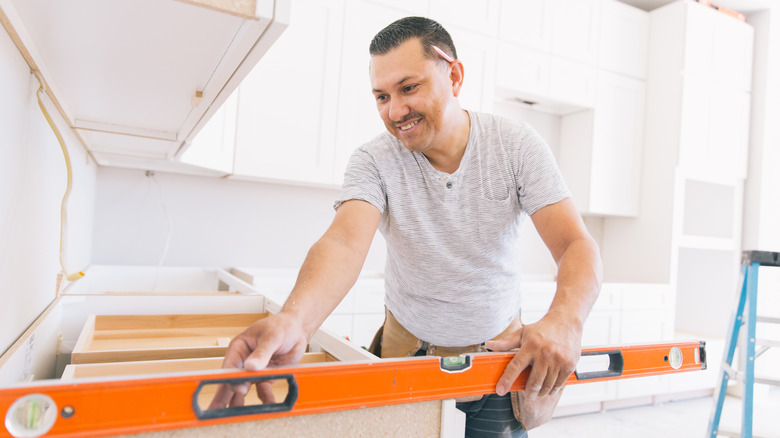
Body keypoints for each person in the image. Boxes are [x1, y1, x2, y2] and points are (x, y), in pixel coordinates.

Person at [211, 16, 602, 437]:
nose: (395, 111)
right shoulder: (374, 160)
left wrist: (565, 319)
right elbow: (344, 242)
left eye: (408, 88)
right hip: (405, 355)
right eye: (381, 96)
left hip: (496, 366)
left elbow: (574, 244)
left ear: (454, 76)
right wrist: (295, 321)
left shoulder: (516, 146)